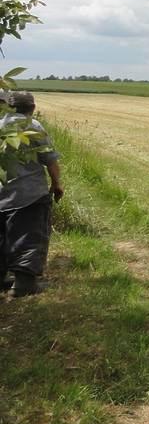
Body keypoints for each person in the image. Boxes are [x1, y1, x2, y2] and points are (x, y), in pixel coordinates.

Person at [0, 91, 63, 297]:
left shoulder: (1, 125)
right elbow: (50, 161)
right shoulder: (32, 127)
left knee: (2, 237)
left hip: (1, 195)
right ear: (32, 108)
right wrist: (56, 184)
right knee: (29, 237)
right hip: (29, 195)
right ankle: (24, 283)